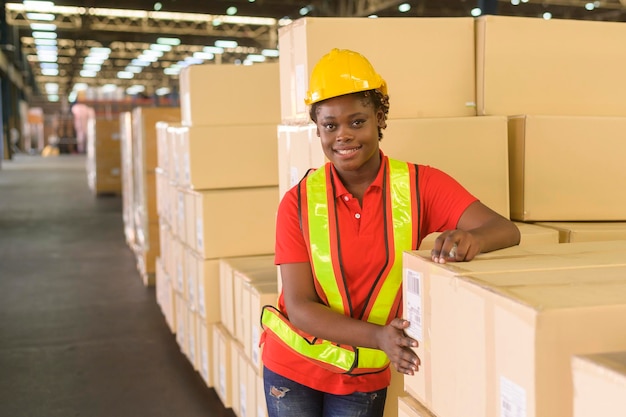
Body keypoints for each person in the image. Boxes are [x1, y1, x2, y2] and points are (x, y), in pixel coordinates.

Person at [260, 48, 520, 417]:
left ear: (380, 118)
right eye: (330, 125)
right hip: (294, 367)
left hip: (362, 375)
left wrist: (472, 239)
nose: (343, 136)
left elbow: (504, 229)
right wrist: (379, 337)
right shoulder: (297, 203)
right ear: (317, 129)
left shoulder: (421, 185)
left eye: (357, 121)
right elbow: (300, 308)